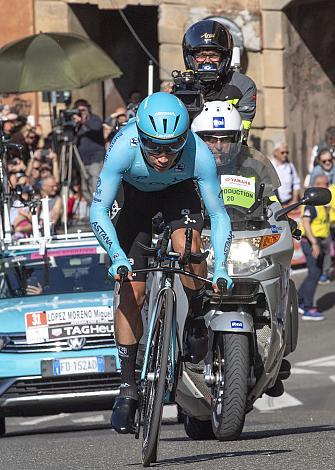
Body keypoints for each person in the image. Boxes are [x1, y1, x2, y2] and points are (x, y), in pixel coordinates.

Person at [90, 92, 233, 434]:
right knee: (131, 291)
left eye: (173, 147)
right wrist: (117, 256)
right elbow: (97, 210)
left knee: (189, 244)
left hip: (177, 196)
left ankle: (197, 314)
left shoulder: (198, 154)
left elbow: (218, 212)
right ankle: (127, 388)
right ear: (141, 136)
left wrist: (222, 267)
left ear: (186, 138)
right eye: (154, 146)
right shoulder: (124, 145)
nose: (163, 156)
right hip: (133, 200)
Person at [181, 19, 257, 140]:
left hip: (230, 150)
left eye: (213, 56)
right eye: (200, 56)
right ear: (191, 59)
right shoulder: (182, 88)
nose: (207, 61)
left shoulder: (243, 86)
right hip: (193, 151)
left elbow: (241, 134)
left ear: (224, 58)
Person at [298, 175, 330, 321]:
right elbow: (305, 223)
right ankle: (308, 308)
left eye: (323, 184)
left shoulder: (323, 203)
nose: (321, 187)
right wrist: (314, 243)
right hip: (311, 242)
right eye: (318, 184)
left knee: (314, 273)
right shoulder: (312, 203)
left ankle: (299, 299)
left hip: (320, 241)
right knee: (315, 273)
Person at [72, 99, 105, 202]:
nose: (81, 111)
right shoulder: (75, 123)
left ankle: (99, 207)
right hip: (82, 160)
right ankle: (93, 208)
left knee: (95, 184)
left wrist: (83, 121)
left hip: (95, 158)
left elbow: (96, 127)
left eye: (83, 109)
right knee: (85, 188)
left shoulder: (94, 119)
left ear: (88, 108)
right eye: (78, 109)